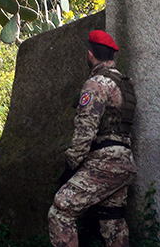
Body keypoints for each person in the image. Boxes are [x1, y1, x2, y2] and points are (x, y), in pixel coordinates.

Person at [48, 30, 137, 247]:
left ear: (90, 55)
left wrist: (70, 167)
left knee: (60, 211)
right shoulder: (125, 85)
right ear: (112, 56)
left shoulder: (96, 83)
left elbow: (85, 131)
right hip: (124, 160)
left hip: (104, 161)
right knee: (112, 220)